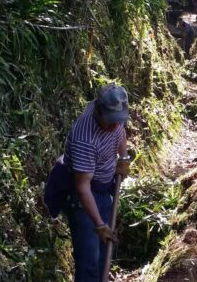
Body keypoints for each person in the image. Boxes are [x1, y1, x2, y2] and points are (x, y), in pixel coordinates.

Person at [52, 85, 130, 282]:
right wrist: (99, 225)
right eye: (111, 122)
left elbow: (120, 131)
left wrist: (123, 157)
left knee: (105, 250)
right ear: (98, 111)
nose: (115, 126)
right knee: (89, 261)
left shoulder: (113, 114)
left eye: (118, 120)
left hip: (103, 189)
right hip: (82, 196)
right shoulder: (85, 139)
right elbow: (83, 187)